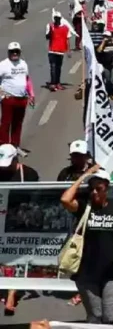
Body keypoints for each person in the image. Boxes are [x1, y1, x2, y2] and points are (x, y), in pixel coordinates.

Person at [60, 165, 113, 324]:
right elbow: (65, 199)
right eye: (92, 188)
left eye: (99, 188)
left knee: (111, 317)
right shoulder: (84, 207)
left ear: (106, 188)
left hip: (111, 272)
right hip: (86, 273)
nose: (94, 192)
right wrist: (84, 176)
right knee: (95, 315)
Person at [0, 144, 39, 314]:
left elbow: (38, 198)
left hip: (20, 221)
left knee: (14, 259)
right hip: (1, 218)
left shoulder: (29, 174)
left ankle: (11, 294)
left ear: (16, 159)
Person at [0, 42, 35, 147]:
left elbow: (27, 79)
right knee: (6, 123)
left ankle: (15, 146)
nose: (15, 53)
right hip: (8, 98)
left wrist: (31, 94)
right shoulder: (3, 65)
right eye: (12, 52)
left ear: (19, 52)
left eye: (17, 51)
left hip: (22, 98)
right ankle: (4, 146)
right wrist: (1, 93)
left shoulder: (23, 64)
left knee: (18, 123)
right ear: (8, 52)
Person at [46, 11, 71, 91]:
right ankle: (53, 84)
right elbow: (47, 37)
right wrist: (50, 30)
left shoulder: (66, 28)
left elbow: (67, 40)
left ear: (60, 19)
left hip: (60, 51)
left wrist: (68, 51)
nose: (56, 20)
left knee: (58, 68)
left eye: (58, 18)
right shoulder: (50, 26)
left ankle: (58, 83)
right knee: (53, 67)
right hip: (52, 50)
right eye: (55, 18)